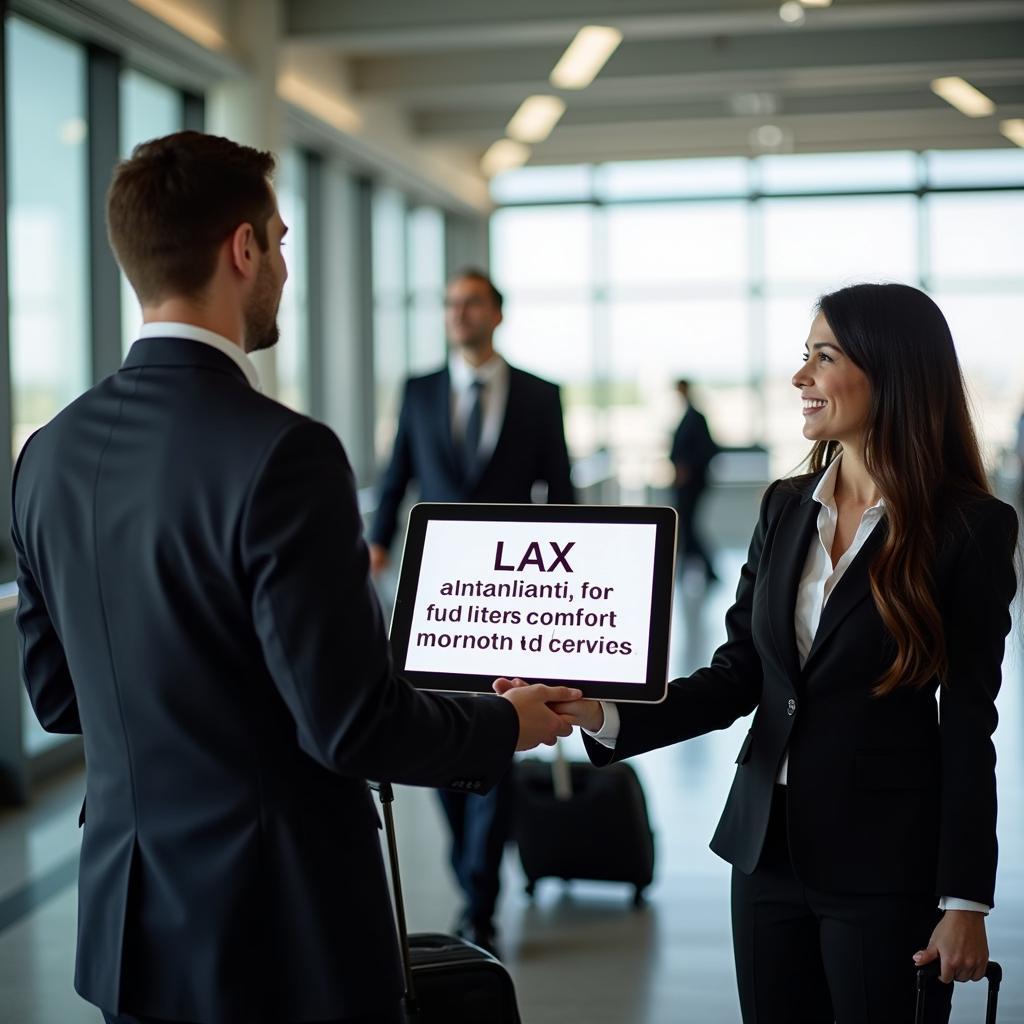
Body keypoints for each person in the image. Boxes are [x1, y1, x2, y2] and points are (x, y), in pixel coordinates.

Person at [11, 131, 581, 1024]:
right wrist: (503, 722)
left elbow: (59, 697)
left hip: (129, 927)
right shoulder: (284, 452)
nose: (283, 264)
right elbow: (350, 725)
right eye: (278, 240)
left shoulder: (46, 456)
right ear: (242, 249)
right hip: (275, 930)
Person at [501, 283, 1018, 1023]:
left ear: (893, 372)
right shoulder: (784, 506)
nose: (800, 377)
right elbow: (739, 672)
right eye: (803, 355)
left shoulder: (969, 528)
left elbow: (971, 723)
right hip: (763, 852)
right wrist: (599, 710)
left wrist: (964, 898)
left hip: (886, 865)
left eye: (824, 357)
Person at [368, 268, 575, 955]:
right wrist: (373, 541)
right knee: (436, 729)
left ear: (497, 314)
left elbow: (564, 492)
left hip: (516, 600)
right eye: (452, 303)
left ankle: (479, 893)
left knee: (502, 728)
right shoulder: (420, 390)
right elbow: (399, 471)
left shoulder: (541, 396)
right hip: (436, 597)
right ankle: (471, 866)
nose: (459, 313)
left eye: (472, 303)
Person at [669, 378, 719, 583]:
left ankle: (705, 570)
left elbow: (708, 449)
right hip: (686, 482)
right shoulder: (688, 416)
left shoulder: (695, 417)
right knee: (686, 525)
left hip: (692, 483)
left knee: (688, 524)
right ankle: (694, 569)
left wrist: (687, 468)